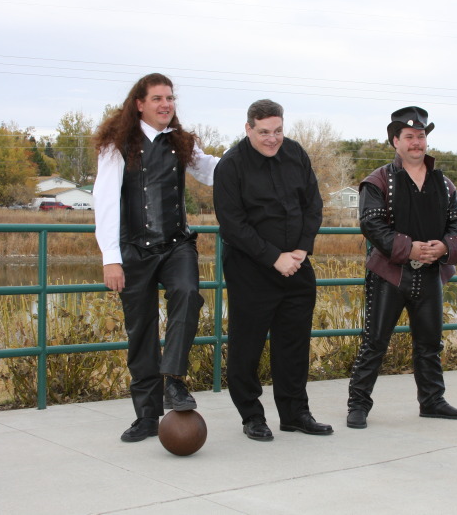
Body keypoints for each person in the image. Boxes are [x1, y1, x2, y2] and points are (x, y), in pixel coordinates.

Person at [92, 73, 220, 442]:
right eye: (158, 98)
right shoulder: (117, 146)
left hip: (177, 244)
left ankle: (174, 380)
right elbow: (104, 201)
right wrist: (110, 258)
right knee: (141, 333)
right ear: (140, 104)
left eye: (170, 98)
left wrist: (249, 153)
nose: (166, 104)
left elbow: (212, 170)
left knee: (188, 294)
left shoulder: (181, 142)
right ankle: (146, 418)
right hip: (133, 249)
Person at [213, 99, 333, 441]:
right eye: (264, 132)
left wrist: (301, 249)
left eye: (278, 131)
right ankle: (252, 416)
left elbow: (313, 204)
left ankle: (295, 413)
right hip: (250, 268)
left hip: (297, 265)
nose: (272, 139)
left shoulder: (295, 154)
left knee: (294, 344)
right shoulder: (230, 165)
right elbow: (232, 223)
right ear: (248, 128)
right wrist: (273, 257)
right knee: (246, 348)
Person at [346, 106, 457, 429]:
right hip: (389, 275)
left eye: (421, 136)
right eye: (410, 136)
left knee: (430, 344)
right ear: (395, 142)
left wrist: (444, 247)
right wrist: (409, 248)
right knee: (374, 342)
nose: (417, 142)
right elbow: (372, 225)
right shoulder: (377, 181)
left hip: (430, 275)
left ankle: (432, 401)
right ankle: (358, 405)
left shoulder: (444, 184)